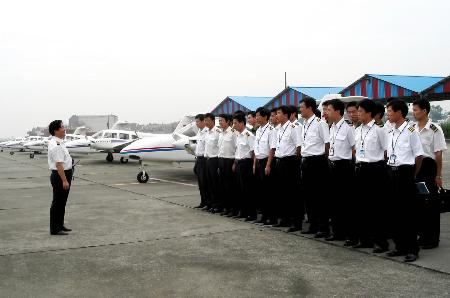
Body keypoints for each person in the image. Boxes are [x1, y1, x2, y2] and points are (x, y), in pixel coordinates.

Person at [386, 99, 424, 262]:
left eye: (390, 111)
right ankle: (399, 246)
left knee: (407, 213)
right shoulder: (391, 130)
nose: (388, 114)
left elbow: (419, 155)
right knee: (394, 212)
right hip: (392, 172)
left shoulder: (410, 130)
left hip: (405, 172)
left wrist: (412, 174)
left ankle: (412, 249)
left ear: (399, 112)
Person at [352, 99, 389, 251]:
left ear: (369, 113)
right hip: (360, 169)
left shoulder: (379, 130)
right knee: (362, 206)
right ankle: (365, 239)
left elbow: (386, 151)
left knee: (376, 208)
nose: (357, 114)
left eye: (360, 111)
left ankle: (381, 242)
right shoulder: (358, 129)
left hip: (375, 169)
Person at [412, 99, 447, 249]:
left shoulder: (434, 129)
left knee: (431, 203)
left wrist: (438, 176)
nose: (414, 113)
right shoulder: (412, 128)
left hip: (429, 167)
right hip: (416, 166)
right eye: (413, 110)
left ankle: (432, 239)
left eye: (416, 110)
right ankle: (422, 235)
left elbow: (438, 154)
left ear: (425, 111)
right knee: (419, 202)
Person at [299, 98, 330, 237]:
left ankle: (323, 227)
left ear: (310, 108)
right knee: (308, 195)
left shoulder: (320, 123)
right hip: (306, 161)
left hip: (317, 162)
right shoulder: (304, 124)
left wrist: (324, 160)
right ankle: (313, 225)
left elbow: (327, 145)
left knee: (319, 196)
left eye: (302, 107)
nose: (300, 110)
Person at [326, 99, 355, 241]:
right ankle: (337, 232)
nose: (326, 112)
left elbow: (354, 149)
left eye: (329, 110)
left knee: (345, 202)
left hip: (344, 167)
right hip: (332, 166)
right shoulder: (332, 127)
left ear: (337, 111)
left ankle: (348, 233)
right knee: (334, 201)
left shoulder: (348, 127)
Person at [272, 106, 302, 231]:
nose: (276, 115)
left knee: (292, 193)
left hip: (290, 162)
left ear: (286, 115)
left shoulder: (294, 128)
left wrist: (295, 162)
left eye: (279, 113)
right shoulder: (279, 130)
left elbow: (299, 147)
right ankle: (285, 219)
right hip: (280, 161)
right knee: (282, 192)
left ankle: (296, 222)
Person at [47, 120, 73, 236]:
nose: (64, 129)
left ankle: (60, 225)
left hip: (64, 174)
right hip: (60, 175)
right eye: (62, 127)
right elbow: (59, 165)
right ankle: (55, 229)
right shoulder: (56, 145)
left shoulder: (60, 142)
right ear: (56, 130)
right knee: (58, 202)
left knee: (62, 202)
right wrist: (64, 180)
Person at [253, 107, 275, 224]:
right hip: (259, 161)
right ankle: (264, 216)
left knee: (268, 191)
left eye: (258, 116)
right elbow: (256, 148)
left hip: (267, 161)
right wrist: (255, 163)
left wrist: (268, 165)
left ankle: (271, 217)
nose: (257, 118)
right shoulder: (259, 130)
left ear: (265, 117)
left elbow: (272, 148)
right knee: (261, 190)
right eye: (256, 116)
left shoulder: (271, 130)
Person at [233, 113, 256, 221]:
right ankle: (242, 211)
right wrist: (235, 163)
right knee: (239, 189)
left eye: (236, 123)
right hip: (238, 163)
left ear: (242, 123)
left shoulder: (249, 135)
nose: (234, 125)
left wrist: (253, 165)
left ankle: (251, 213)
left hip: (246, 164)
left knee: (248, 190)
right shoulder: (238, 135)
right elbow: (237, 150)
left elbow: (253, 152)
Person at [217, 114, 237, 215]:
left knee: (230, 186)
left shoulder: (233, 132)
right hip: (221, 160)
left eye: (222, 121)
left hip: (230, 161)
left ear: (228, 121)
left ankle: (233, 209)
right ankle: (226, 208)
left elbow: (237, 148)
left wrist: (235, 163)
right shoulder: (220, 133)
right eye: (219, 121)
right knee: (223, 186)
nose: (220, 122)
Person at [203, 113, 222, 213]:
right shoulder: (206, 131)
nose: (206, 122)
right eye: (205, 120)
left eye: (207, 120)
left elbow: (220, 147)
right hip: (208, 159)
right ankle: (210, 203)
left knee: (215, 184)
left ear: (213, 121)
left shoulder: (218, 132)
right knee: (209, 183)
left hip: (215, 160)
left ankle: (217, 205)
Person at [193, 114, 208, 209]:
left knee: (205, 182)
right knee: (200, 183)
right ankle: (203, 202)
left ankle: (208, 202)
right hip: (198, 159)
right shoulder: (199, 132)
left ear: (203, 121)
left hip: (204, 159)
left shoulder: (207, 132)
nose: (196, 123)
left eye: (198, 121)